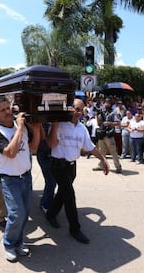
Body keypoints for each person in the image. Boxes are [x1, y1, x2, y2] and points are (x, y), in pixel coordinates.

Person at [46, 99, 109, 245]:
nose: (77, 111)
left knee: (63, 192)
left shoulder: (82, 128)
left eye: (80, 109)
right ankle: (75, 229)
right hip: (58, 165)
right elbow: (51, 144)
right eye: (74, 108)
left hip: (71, 167)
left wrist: (104, 160)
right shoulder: (59, 124)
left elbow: (91, 147)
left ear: (83, 112)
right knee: (70, 196)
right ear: (69, 109)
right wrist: (54, 126)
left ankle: (51, 214)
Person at [0, 96, 40, 262]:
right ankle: (8, 243)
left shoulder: (21, 127)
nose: (8, 112)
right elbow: (10, 153)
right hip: (9, 179)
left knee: (24, 214)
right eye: (2, 110)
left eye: (8, 108)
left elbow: (33, 148)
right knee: (16, 214)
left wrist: (37, 129)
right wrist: (19, 128)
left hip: (26, 177)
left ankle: (19, 241)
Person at [93, 98, 122, 173]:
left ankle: (118, 167)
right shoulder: (101, 112)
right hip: (102, 133)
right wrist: (97, 115)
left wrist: (109, 123)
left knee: (113, 151)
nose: (106, 104)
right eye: (105, 103)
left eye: (108, 103)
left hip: (109, 134)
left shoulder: (113, 112)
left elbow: (118, 123)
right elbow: (99, 124)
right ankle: (101, 165)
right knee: (101, 151)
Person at [37, 122, 56, 213]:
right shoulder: (42, 124)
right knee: (51, 181)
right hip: (44, 154)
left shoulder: (57, 123)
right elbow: (44, 140)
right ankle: (46, 204)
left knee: (52, 181)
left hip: (54, 155)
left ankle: (46, 201)